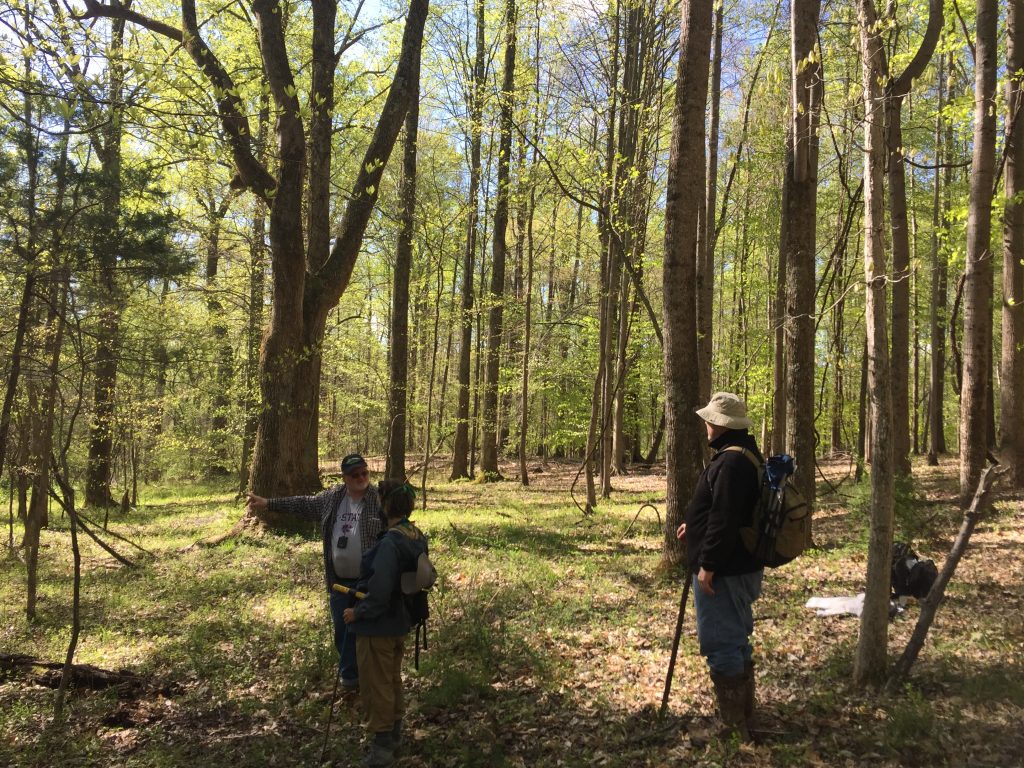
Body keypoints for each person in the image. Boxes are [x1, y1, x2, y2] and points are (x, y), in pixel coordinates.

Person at [245, 453, 385, 689]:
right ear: (345, 477)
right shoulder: (332, 498)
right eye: (355, 475)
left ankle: (373, 681)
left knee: (371, 633)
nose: (361, 478)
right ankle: (351, 681)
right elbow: (303, 504)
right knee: (343, 631)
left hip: (369, 583)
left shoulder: (380, 500)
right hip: (339, 582)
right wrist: (268, 503)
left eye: (365, 473)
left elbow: (397, 525)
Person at [676, 391, 764, 740]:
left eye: (711, 420)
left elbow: (725, 519)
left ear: (723, 425)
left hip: (725, 571)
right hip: (740, 566)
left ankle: (732, 727)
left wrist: (707, 565)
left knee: (723, 643)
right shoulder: (744, 456)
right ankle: (744, 716)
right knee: (737, 640)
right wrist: (693, 527)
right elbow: (724, 512)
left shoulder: (731, 464)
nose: (707, 426)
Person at [343, 479, 428, 768]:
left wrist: (358, 612)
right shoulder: (415, 534)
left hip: (378, 627)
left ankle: (382, 751)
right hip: (400, 623)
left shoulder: (391, 541)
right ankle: (393, 737)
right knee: (391, 680)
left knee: (376, 685)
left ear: (385, 504)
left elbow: (379, 591)